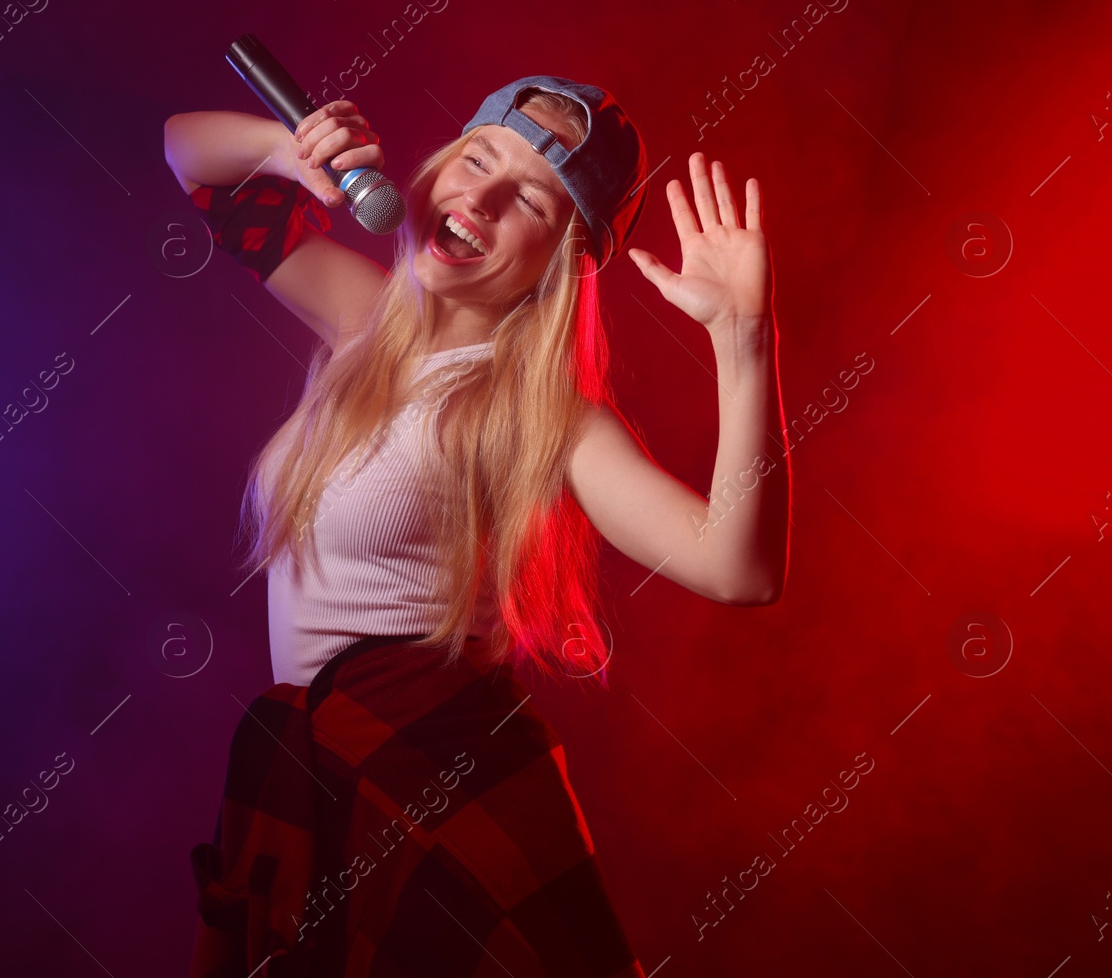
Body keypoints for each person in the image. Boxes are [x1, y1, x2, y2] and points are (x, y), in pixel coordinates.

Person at [164, 75, 790, 977]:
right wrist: (283, 149)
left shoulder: (550, 418)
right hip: (310, 786)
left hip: (431, 785)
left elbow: (737, 566)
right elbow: (189, 154)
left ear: (562, 256)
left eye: (529, 197)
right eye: (478, 158)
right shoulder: (360, 319)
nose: (481, 197)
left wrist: (744, 341)